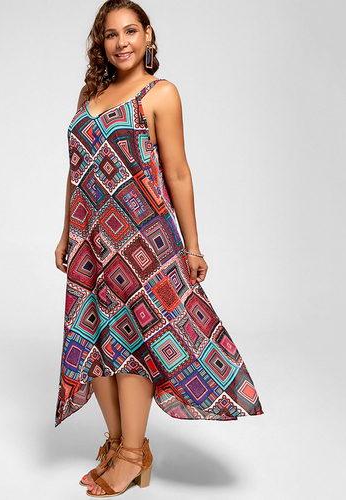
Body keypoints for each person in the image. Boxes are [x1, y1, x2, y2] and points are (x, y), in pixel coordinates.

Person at [54, 0, 263, 496]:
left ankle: (132, 454)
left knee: (133, 341)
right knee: (94, 338)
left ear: (148, 36)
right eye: (111, 34)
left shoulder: (160, 93)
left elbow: (178, 172)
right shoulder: (91, 94)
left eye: (131, 31)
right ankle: (119, 445)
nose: (121, 42)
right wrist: (66, 232)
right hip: (92, 239)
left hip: (143, 240)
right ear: (101, 43)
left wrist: (193, 247)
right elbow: (75, 170)